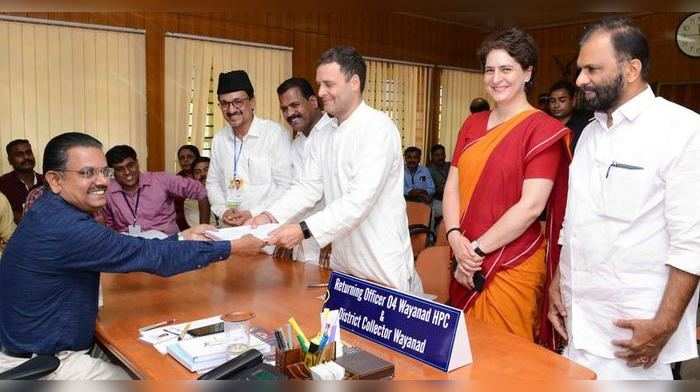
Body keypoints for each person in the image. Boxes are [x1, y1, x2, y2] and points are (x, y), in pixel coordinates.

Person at [0, 132, 264, 380]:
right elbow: (150, 256)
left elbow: (127, 249)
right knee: (151, 379)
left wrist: (183, 237)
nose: (103, 181)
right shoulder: (66, 227)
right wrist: (233, 247)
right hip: (43, 363)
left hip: (40, 342)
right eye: (87, 173)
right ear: (55, 180)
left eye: (104, 171)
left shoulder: (49, 209)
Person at [547, 17, 700, 380]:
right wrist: (559, 281)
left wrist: (663, 326)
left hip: (635, 337)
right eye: (580, 68)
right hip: (578, 325)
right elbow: (576, 221)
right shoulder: (588, 134)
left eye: (592, 69)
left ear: (631, 69)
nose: (581, 79)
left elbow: (691, 242)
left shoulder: (682, 130)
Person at [247, 47, 421, 292]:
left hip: (381, 262)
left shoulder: (378, 128)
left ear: (354, 83)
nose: (320, 93)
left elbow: (358, 201)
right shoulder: (324, 132)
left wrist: (303, 230)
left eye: (329, 84)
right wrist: (269, 216)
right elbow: (308, 187)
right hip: (344, 262)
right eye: (319, 85)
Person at [443, 28, 570, 344]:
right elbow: (452, 187)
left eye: (506, 69)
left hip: (510, 262)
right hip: (462, 255)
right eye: (489, 69)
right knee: (461, 354)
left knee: (505, 360)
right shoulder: (472, 123)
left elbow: (531, 207)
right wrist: (455, 237)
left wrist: (474, 251)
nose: (496, 78)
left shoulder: (543, 130)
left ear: (527, 72)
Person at [206, 70, 293, 228]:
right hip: (229, 229)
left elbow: (285, 185)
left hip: (265, 228)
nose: (231, 110)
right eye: (224, 103)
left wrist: (253, 213)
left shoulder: (274, 134)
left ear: (252, 102)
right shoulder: (219, 140)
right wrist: (223, 211)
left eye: (237, 101)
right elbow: (212, 183)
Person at [269, 77, 333, 264]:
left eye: (295, 105)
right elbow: (296, 191)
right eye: (284, 108)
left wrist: (333, 238)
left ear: (313, 102)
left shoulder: (333, 134)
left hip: (330, 239)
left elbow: (338, 196)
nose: (290, 113)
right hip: (302, 239)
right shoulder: (297, 143)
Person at [103, 145, 210, 236]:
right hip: (131, 247)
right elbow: (110, 226)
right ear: (113, 171)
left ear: (137, 163)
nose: (127, 172)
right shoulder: (108, 193)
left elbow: (200, 192)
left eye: (130, 165)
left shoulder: (162, 180)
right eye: (119, 169)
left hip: (166, 244)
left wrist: (203, 230)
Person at [0, 139, 44, 223]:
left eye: (28, 152)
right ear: (10, 160)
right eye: (19, 154)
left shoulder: (47, 182)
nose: (26, 157)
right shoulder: (2, 184)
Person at [547, 80, 593, 152]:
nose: (556, 105)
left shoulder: (585, 123)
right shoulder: (546, 124)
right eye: (552, 101)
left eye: (562, 100)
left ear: (573, 101)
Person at [184, 157, 217, 227]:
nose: (203, 174)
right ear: (193, 178)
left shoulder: (227, 194)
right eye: (197, 172)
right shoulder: (190, 202)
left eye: (207, 170)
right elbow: (202, 229)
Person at [174, 144, 201, 230]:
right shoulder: (176, 180)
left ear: (197, 158)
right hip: (183, 225)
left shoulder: (206, 176)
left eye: (189, 157)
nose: (185, 160)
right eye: (182, 158)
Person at [427, 144, 450, 221]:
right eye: (437, 155)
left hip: (454, 198)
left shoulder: (450, 166)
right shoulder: (427, 170)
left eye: (442, 154)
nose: (440, 157)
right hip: (438, 201)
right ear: (432, 156)